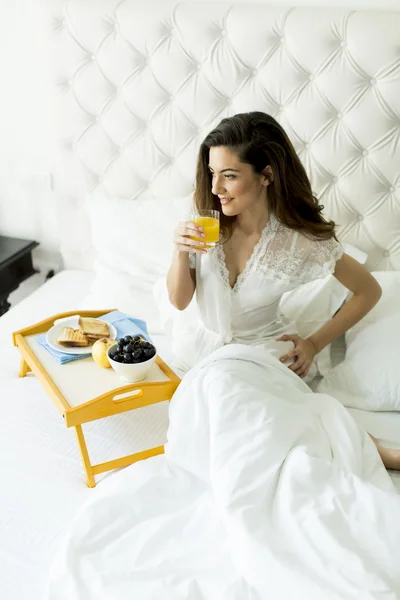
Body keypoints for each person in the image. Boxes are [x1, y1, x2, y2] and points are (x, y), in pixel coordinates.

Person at [167, 110, 400, 472]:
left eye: (229, 176)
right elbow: (179, 300)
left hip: (264, 352)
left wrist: (313, 343)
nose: (215, 188)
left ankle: (372, 451)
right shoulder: (205, 221)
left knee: (255, 403)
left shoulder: (300, 241)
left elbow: (368, 291)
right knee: (227, 394)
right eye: (213, 173)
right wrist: (180, 254)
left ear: (266, 175)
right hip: (203, 347)